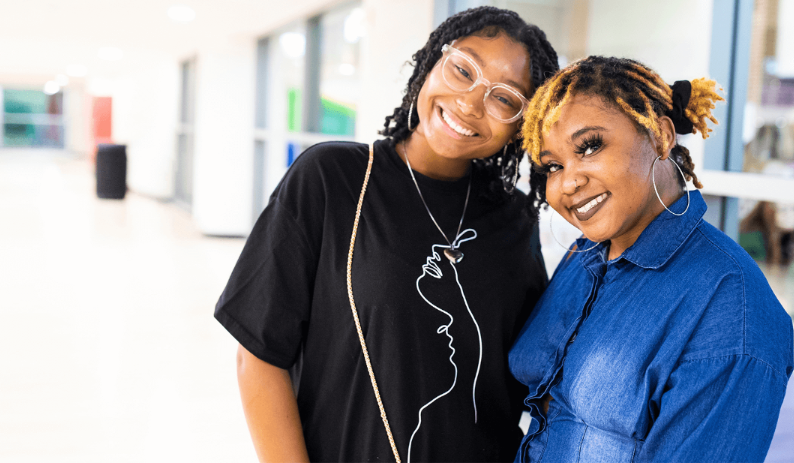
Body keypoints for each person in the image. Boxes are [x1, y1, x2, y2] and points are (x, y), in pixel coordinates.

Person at [214, 7, 559, 463]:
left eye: (504, 99)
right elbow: (258, 357)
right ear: (433, 61)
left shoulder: (514, 217)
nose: (471, 103)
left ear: (522, 125)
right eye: (462, 69)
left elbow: (521, 371)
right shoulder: (332, 179)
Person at [508, 56, 794, 462]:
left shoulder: (734, 310)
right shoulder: (586, 254)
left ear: (660, 136)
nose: (568, 182)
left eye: (590, 147)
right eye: (553, 165)